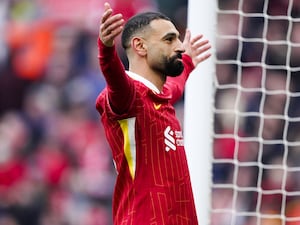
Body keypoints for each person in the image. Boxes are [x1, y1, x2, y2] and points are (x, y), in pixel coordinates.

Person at [96, 2, 211, 224]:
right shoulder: (128, 98)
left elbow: (173, 88)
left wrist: (187, 62)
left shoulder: (158, 97)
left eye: (178, 38)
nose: (179, 46)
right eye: (169, 39)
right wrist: (106, 49)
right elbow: (114, 78)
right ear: (140, 46)